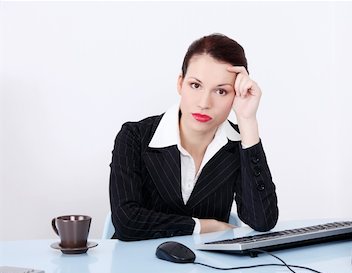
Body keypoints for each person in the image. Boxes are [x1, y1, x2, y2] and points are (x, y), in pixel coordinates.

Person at [109, 33, 278, 241]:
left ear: (236, 94)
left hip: (208, 268)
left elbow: (262, 221)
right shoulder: (135, 137)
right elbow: (127, 222)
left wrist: (247, 121)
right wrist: (202, 226)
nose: (204, 103)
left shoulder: (237, 143)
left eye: (221, 91)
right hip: (135, 266)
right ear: (180, 83)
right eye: (196, 85)